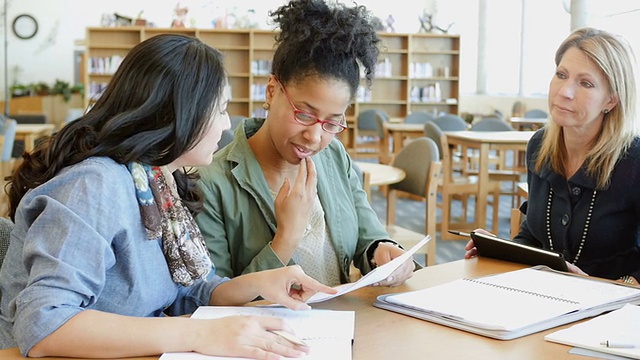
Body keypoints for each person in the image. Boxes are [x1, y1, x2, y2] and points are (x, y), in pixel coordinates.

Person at [0, 34, 336, 359]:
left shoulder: (155, 178)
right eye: (220, 110)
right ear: (181, 112)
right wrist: (198, 334)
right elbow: (45, 323)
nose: (225, 125)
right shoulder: (94, 185)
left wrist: (259, 283)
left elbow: (185, 293)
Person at [196, 0, 415, 287]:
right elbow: (214, 298)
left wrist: (381, 251)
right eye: (304, 114)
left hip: (342, 324)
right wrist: (285, 238)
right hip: (267, 330)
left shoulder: (334, 155)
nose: (314, 136)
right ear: (272, 91)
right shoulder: (211, 182)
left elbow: (367, 234)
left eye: (332, 122)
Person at [465, 27, 640, 284]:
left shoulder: (633, 161)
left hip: (616, 310)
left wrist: (620, 287)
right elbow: (535, 234)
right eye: (561, 75)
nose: (565, 91)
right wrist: (501, 251)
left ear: (611, 101)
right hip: (549, 297)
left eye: (585, 83)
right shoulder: (539, 147)